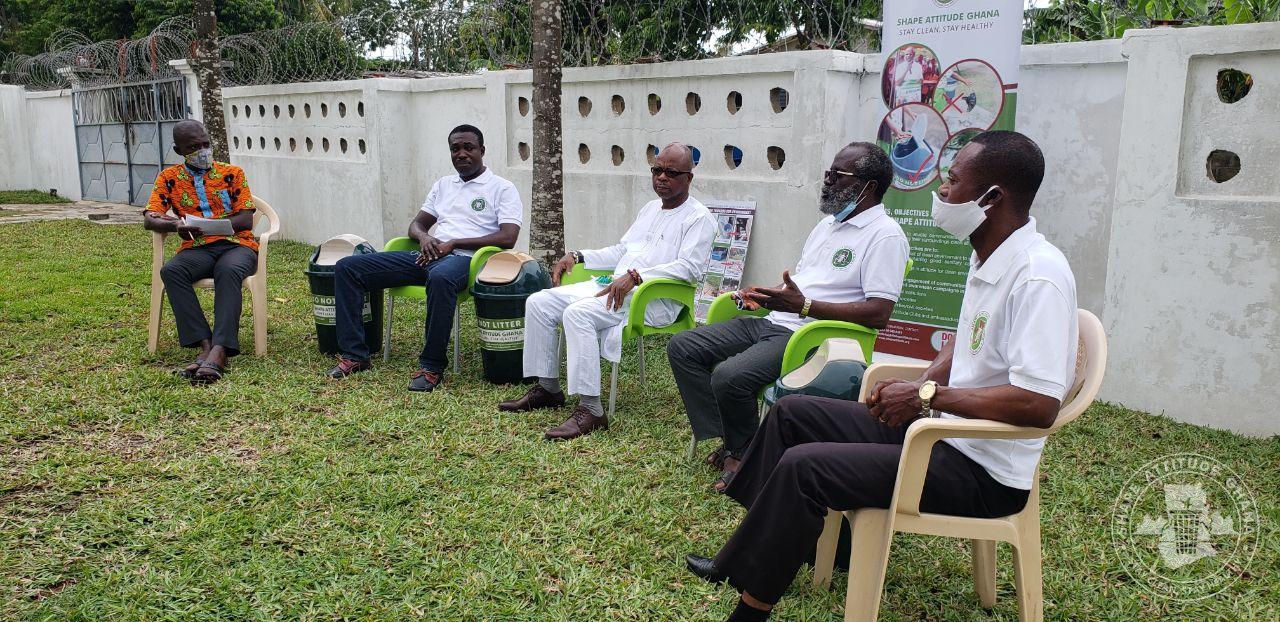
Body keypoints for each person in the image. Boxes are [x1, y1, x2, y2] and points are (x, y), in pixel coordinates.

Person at [684, 131, 1078, 622]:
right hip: (941, 435)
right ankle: (755, 550)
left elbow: (1039, 405)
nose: (942, 192)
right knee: (790, 413)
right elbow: (965, 343)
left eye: (953, 181)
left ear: (991, 198)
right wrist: (921, 384)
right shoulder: (991, 257)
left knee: (806, 467)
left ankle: (750, 610)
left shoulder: (1038, 275)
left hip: (982, 470)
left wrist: (928, 395)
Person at [666, 142, 909, 492]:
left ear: (867, 187)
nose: (827, 180)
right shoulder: (827, 226)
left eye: (837, 175)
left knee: (730, 377)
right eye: (828, 172)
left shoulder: (885, 236)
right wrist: (766, 295)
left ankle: (743, 456)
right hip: (777, 322)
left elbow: (879, 313)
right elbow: (805, 283)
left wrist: (804, 307)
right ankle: (736, 438)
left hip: (814, 337)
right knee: (684, 346)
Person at [498, 143, 717, 440]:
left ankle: (591, 410)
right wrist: (579, 256)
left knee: (577, 314)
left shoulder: (699, 218)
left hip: (656, 299)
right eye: (656, 170)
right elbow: (622, 250)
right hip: (614, 288)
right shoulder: (650, 209)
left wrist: (636, 277)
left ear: (688, 178)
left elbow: (689, 268)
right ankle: (548, 389)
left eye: (671, 173)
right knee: (540, 302)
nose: (662, 177)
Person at [327, 125, 522, 392]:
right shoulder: (443, 185)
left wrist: (454, 243)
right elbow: (417, 224)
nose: (461, 154)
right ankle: (355, 355)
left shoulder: (502, 188)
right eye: (455, 149)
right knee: (348, 267)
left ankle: (431, 366)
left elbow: (508, 237)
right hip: (429, 255)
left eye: (469, 148)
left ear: (482, 150)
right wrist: (424, 238)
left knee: (440, 277)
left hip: (468, 260)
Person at [144, 120, 258, 385]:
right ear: (179, 150)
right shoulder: (168, 178)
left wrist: (210, 226)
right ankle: (205, 345)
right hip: (197, 249)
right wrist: (175, 225)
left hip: (238, 245)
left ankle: (221, 349)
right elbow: (150, 218)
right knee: (172, 271)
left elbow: (246, 219)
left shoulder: (232, 173)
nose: (202, 151)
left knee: (228, 270)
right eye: (194, 147)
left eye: (205, 144)